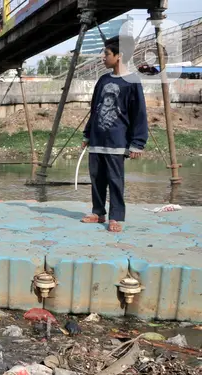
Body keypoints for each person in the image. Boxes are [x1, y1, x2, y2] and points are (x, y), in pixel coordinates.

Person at [81, 36, 148, 233]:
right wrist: (87, 134)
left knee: (115, 180)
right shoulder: (103, 80)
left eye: (107, 54)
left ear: (118, 56)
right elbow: (94, 109)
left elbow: (139, 114)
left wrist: (137, 143)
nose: (103, 57)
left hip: (117, 141)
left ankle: (115, 216)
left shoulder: (132, 82)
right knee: (97, 178)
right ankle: (98, 212)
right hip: (97, 139)